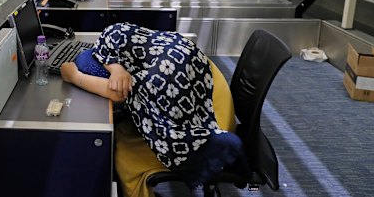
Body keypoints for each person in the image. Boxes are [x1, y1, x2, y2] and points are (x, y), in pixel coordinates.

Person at [61, 23, 245, 188]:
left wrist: (75, 77)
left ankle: (221, 147)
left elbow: (118, 94)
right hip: (207, 82)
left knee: (144, 149)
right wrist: (116, 69)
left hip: (214, 110)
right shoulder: (118, 36)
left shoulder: (158, 75)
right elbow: (111, 62)